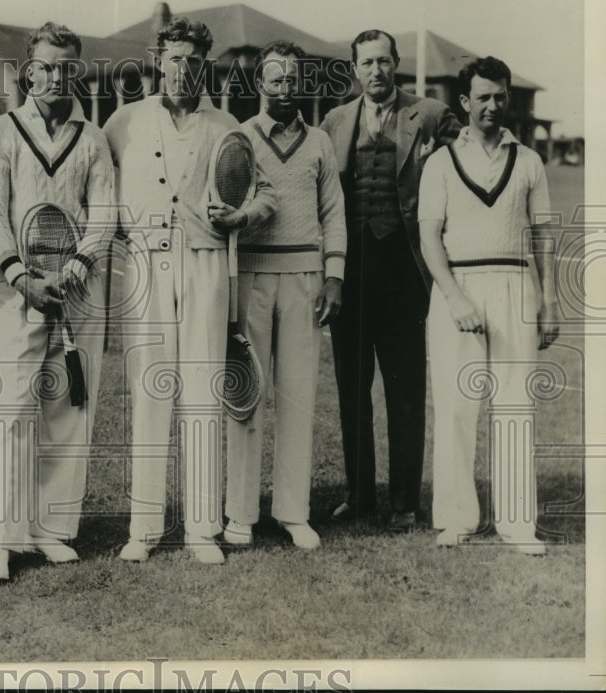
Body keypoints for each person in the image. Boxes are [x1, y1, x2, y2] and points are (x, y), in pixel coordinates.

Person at [104, 17, 275, 564]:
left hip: (205, 264)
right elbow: (97, 185)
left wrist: (240, 215)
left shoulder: (227, 125)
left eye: (194, 61)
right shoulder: (123, 122)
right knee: (150, 392)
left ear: (207, 65)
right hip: (144, 267)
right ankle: (144, 527)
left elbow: (264, 194)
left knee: (202, 393)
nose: (183, 70)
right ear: (158, 60)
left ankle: (202, 529)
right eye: (174, 58)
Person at [0, 22, 115, 582]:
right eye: (46, 66)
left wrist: (78, 266)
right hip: (19, 294)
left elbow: (104, 211)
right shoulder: (0, 132)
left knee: (68, 409)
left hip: (80, 292)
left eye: (67, 66)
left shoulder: (95, 136)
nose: (56, 76)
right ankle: (1, 540)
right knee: (14, 409)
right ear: (28, 71)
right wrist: (19, 275)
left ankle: (52, 529)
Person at [321, 29, 460, 530]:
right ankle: (359, 495)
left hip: (404, 270)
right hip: (350, 272)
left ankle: (404, 500)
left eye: (383, 62)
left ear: (396, 63)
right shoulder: (335, 120)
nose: (375, 71)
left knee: (404, 389)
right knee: (351, 388)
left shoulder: (428, 114)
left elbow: (467, 165)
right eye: (366, 63)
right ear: (353, 68)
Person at [419, 56, 559, 555]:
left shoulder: (529, 161)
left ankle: (518, 523)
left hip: (516, 285)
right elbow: (429, 238)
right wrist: (455, 297)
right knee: (457, 407)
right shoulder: (439, 162)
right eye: (483, 97)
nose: (493, 106)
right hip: (458, 289)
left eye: (500, 96)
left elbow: (542, 235)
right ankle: (456, 517)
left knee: (515, 405)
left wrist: (549, 300)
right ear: (465, 102)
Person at [224, 41, 346, 550]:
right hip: (251, 277)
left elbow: (333, 212)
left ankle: (294, 512)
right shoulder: (237, 138)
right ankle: (239, 514)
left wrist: (334, 275)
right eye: (275, 80)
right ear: (260, 85)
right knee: (247, 396)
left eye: (293, 80)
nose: (285, 89)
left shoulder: (319, 142)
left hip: (305, 278)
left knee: (297, 396)